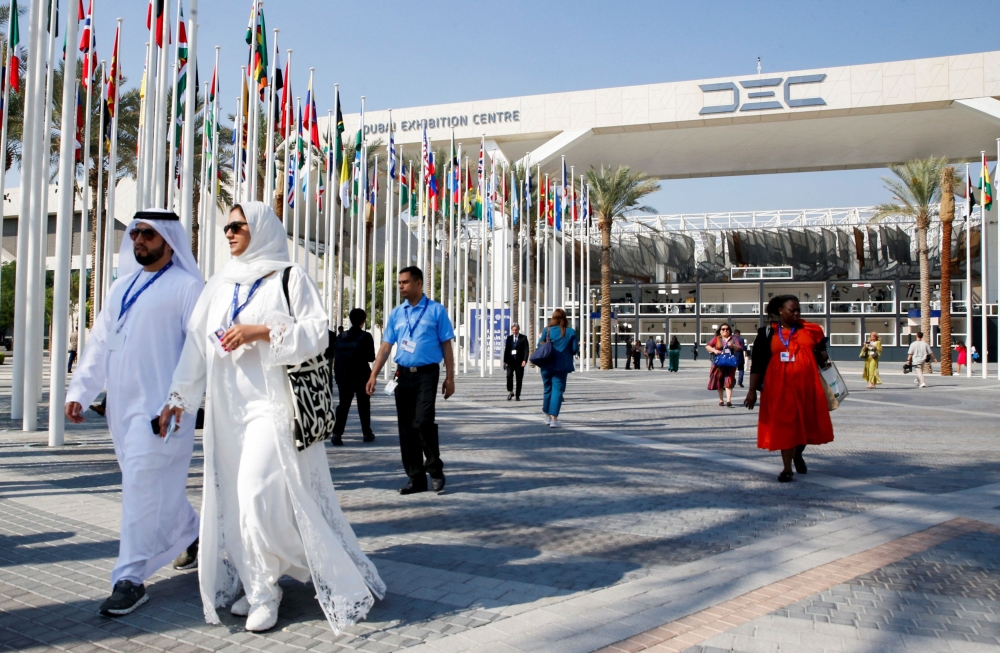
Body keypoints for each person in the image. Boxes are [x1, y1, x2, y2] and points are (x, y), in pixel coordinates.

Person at [162, 202, 384, 633]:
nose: (228, 233)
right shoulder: (221, 284)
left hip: (272, 404)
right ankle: (259, 582)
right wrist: (178, 396)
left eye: (237, 226)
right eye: (225, 226)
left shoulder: (289, 275)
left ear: (260, 229)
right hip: (228, 409)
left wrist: (261, 330)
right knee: (236, 502)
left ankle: (269, 591)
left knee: (256, 492)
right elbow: (195, 346)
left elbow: (318, 332)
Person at [65, 209, 203, 617]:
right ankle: (190, 532)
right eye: (135, 233)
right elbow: (99, 342)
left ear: (167, 239)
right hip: (122, 411)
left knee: (140, 490)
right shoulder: (121, 287)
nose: (138, 240)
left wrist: (178, 397)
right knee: (145, 485)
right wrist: (81, 390)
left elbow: (198, 351)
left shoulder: (187, 287)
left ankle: (129, 578)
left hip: (164, 411)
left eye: (147, 233)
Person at [367, 266, 456, 495]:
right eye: (399, 283)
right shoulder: (397, 313)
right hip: (402, 373)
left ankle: (435, 469)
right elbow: (386, 346)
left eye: (405, 282)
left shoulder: (436, 311)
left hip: (427, 373)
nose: (401, 286)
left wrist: (450, 377)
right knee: (406, 428)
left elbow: (447, 344)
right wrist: (373, 374)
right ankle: (415, 478)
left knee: (423, 421)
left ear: (418, 283)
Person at [744, 295, 834, 483]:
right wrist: (752, 390)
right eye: (792, 310)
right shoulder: (767, 333)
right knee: (786, 424)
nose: (796, 313)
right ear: (780, 311)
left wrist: (821, 352)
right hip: (780, 387)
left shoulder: (811, 330)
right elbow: (758, 365)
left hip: (807, 386)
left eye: (798, 310)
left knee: (806, 424)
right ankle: (787, 469)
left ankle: (797, 453)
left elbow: (822, 359)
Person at [332, 308, 376, 444]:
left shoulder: (341, 336)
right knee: (363, 405)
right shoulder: (366, 336)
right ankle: (366, 433)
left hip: (344, 376)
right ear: (363, 320)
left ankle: (337, 434)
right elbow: (371, 357)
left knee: (343, 406)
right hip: (361, 376)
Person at [537, 308, 579, 428]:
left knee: (547, 389)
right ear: (565, 318)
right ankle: (554, 419)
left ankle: (547, 416)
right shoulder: (570, 332)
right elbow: (575, 349)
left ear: (553, 318)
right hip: (562, 365)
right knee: (558, 391)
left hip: (546, 364)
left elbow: (539, 344)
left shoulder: (547, 330)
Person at [705, 324, 741, 407]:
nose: (725, 330)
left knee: (729, 380)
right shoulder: (717, 338)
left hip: (730, 363)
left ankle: (729, 401)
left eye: (727, 329)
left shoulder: (733, 339)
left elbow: (739, 348)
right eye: (723, 329)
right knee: (719, 380)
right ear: (720, 331)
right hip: (719, 363)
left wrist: (732, 345)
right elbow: (707, 346)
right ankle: (721, 400)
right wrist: (714, 350)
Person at [503, 323, 529, 400]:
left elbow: (526, 350)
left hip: (519, 361)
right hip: (510, 361)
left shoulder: (523, 338)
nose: (514, 331)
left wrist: (525, 360)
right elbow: (507, 350)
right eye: (513, 330)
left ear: (518, 330)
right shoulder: (509, 338)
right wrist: (505, 361)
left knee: (519, 378)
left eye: (516, 330)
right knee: (509, 375)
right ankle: (511, 392)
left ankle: (518, 395)